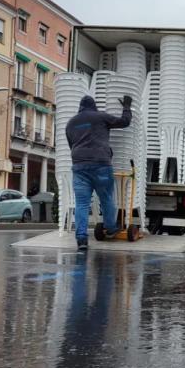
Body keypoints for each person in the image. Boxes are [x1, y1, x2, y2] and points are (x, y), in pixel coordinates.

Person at [66, 94, 132, 251]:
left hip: (79, 167)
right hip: (101, 164)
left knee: (82, 203)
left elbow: (71, 145)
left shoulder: (70, 123)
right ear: (93, 106)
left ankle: (81, 239)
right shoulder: (101, 117)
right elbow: (124, 122)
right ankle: (110, 228)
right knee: (106, 198)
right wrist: (126, 107)